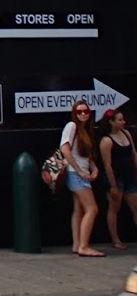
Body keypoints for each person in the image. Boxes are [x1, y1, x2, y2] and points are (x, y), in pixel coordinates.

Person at [62, 98, 104, 257]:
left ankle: (77, 244)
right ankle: (84, 246)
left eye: (85, 111)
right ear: (74, 113)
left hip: (81, 172)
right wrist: (80, 171)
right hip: (75, 173)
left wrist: (93, 169)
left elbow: (87, 156)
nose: (83, 114)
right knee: (92, 209)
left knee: (79, 209)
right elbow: (65, 150)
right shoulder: (71, 126)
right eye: (79, 111)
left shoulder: (86, 131)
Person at [101, 110, 137, 250]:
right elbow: (107, 165)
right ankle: (116, 239)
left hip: (130, 176)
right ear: (111, 122)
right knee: (114, 207)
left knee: (135, 206)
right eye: (120, 120)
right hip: (116, 177)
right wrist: (113, 186)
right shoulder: (106, 141)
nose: (124, 122)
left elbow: (133, 153)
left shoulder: (126, 134)